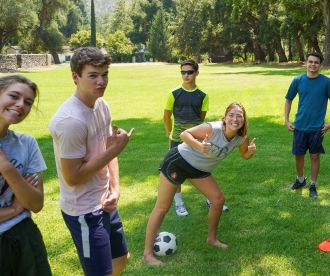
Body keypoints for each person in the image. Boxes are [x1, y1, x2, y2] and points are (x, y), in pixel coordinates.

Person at [49, 47, 134, 276]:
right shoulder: (70, 121)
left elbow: (107, 150)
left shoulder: (101, 105)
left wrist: (115, 189)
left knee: (121, 258)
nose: (101, 81)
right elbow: (73, 176)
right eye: (93, 75)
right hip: (84, 210)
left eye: (104, 74)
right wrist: (115, 149)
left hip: (104, 199)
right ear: (75, 77)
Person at [143, 102, 257, 266]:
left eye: (239, 116)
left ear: (244, 120)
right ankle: (147, 254)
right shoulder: (213, 128)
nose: (235, 118)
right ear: (224, 118)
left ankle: (211, 239)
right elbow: (184, 134)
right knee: (162, 207)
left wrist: (250, 152)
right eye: (231, 115)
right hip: (179, 162)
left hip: (199, 170)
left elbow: (244, 155)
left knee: (218, 200)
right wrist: (199, 145)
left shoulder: (240, 138)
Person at [0, 75, 52, 276]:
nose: (21, 105)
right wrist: (15, 207)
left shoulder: (27, 143)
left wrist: (6, 167)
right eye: (14, 96)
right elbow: (26, 201)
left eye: (28, 102)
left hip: (24, 239)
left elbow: (36, 203)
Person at [163, 59, 226, 216]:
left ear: (196, 73)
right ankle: (179, 204)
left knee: (202, 168)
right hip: (177, 138)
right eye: (183, 72)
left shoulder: (203, 96)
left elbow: (201, 118)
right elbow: (167, 115)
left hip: (197, 139)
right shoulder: (173, 94)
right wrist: (169, 132)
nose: (186, 75)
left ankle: (209, 199)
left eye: (189, 72)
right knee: (176, 172)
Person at [284, 52, 330, 198]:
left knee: (314, 156)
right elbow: (288, 100)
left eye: (316, 62)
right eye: (310, 62)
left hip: (316, 127)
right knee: (298, 155)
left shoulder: (326, 82)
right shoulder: (298, 80)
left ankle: (313, 185)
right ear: (306, 63)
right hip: (300, 125)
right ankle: (300, 180)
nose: (313, 64)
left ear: (320, 65)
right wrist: (287, 120)